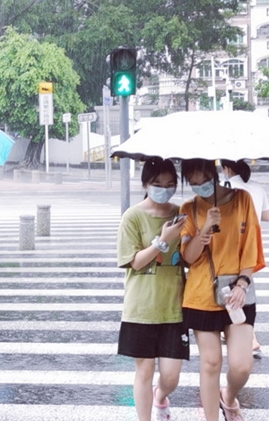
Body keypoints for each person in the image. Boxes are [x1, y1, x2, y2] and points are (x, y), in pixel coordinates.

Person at [179, 159, 265, 421]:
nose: (199, 186)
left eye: (204, 180)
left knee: (241, 366)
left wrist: (243, 283)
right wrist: (205, 227)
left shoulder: (242, 200)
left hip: (237, 294)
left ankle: (228, 397)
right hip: (201, 295)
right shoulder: (189, 208)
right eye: (193, 183)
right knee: (211, 363)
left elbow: (251, 246)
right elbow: (188, 258)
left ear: (214, 174)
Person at [116, 158, 188, 421]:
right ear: (146, 183)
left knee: (171, 376)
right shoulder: (132, 216)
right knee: (144, 371)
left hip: (174, 307)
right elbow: (134, 262)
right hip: (141, 308)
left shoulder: (181, 213)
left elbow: (189, 257)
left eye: (170, 184)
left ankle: (161, 395)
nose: (164, 189)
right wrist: (162, 240)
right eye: (158, 183)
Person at [220, 159, 269, 358]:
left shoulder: (225, 187)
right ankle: (242, 333)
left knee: (232, 290)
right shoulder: (257, 187)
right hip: (252, 244)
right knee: (243, 287)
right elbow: (266, 216)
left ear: (227, 168)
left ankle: (250, 338)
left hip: (231, 244)